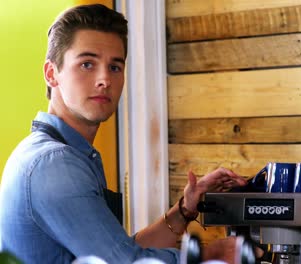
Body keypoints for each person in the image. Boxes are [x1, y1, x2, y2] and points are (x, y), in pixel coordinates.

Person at [0, 4, 247, 264]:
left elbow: (118, 251)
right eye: (87, 64)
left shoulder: (57, 153)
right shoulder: (55, 164)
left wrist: (184, 211)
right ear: (52, 74)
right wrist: (210, 255)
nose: (104, 79)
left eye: (115, 67)